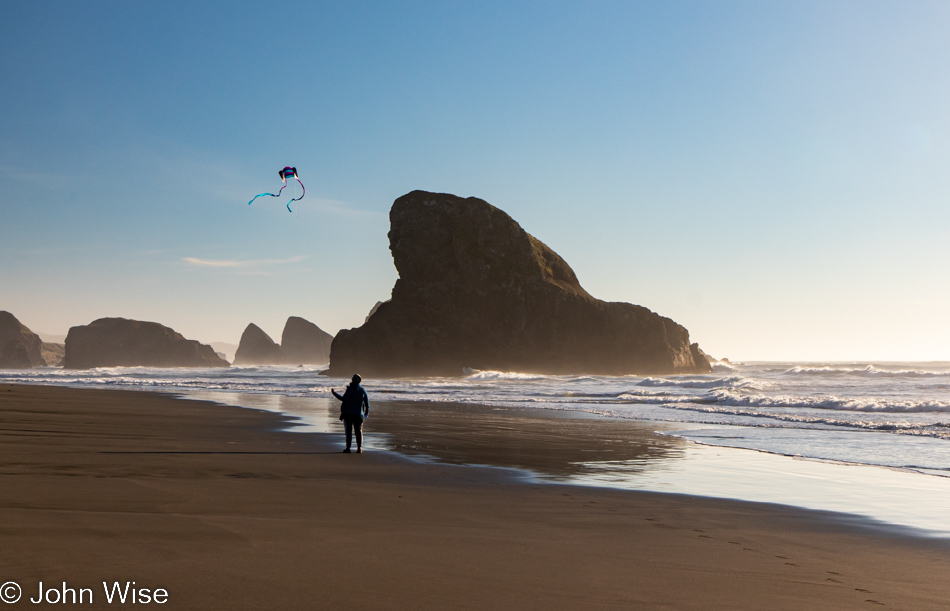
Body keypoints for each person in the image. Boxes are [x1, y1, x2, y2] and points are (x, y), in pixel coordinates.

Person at [331, 374, 370, 453]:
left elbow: (343, 399)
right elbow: (366, 402)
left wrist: (334, 393)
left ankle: (348, 448)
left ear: (352, 380)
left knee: (348, 432)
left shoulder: (350, 389)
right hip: (359, 414)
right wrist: (366, 412)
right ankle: (359, 448)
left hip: (348, 414)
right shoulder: (362, 390)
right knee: (358, 431)